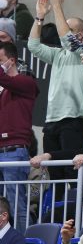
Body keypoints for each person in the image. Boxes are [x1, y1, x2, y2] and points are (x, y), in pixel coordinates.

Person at [28, 0, 83, 198]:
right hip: (52, 118)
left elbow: (67, 39)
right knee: (55, 176)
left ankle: (75, 217)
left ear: (80, 34)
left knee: (71, 171)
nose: (61, 29)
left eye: (67, 26)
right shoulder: (58, 55)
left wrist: (56, 5)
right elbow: (33, 46)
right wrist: (39, 17)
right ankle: (56, 218)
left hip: (74, 116)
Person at [0, 41, 38, 234]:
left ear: (11, 61)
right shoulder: (4, 90)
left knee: (17, 204)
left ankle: (24, 240)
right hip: (2, 151)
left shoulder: (26, 82)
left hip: (14, 151)